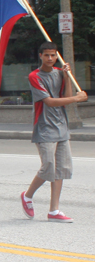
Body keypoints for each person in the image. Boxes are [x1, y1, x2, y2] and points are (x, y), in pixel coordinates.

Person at [20, 42, 88, 223]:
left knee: (60, 169)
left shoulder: (59, 72)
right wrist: (77, 98)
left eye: (53, 55)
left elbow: (64, 97)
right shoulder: (34, 76)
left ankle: (54, 210)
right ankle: (27, 196)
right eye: (47, 55)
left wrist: (66, 77)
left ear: (57, 55)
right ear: (40, 56)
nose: (50, 58)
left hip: (61, 125)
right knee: (48, 166)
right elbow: (49, 101)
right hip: (44, 127)